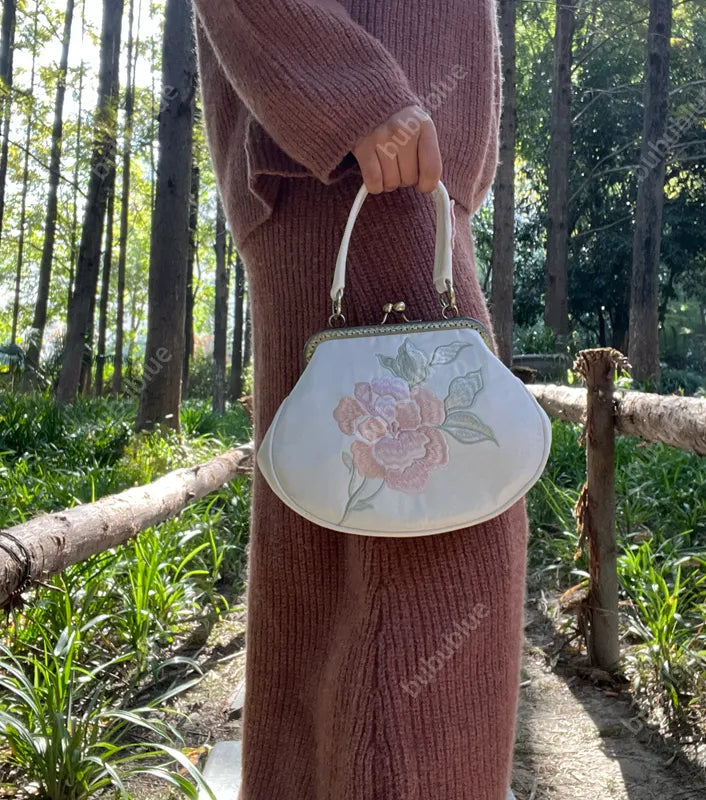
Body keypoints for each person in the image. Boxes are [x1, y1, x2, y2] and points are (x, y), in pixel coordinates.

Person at [192, 2, 527, 798]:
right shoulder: (362, 119)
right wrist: (353, 98)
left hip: (395, 164)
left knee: (344, 556)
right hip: (357, 158)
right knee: (425, 557)